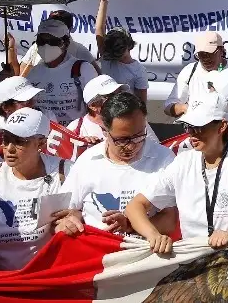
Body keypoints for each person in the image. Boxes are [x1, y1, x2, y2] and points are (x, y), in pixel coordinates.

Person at [125, 93, 228, 254]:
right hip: (192, 262)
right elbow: (135, 206)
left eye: (198, 127)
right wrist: (154, 236)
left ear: (222, 126)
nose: (191, 133)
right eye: (187, 126)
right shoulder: (182, 163)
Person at [55, 92, 175, 234]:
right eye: (122, 140)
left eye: (139, 136)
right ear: (105, 131)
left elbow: (172, 219)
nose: (131, 146)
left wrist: (131, 226)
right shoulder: (87, 161)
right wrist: (72, 218)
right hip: (98, 250)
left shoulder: (164, 159)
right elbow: (61, 214)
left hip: (145, 250)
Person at [0, 108, 66, 270]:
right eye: (5, 140)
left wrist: (74, 217)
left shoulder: (64, 173)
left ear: (41, 142)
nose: (9, 148)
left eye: (20, 141)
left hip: (48, 278)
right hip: (2, 281)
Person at [163, 31, 228, 119]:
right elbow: (168, 106)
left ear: (221, 50)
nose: (205, 59)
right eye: (201, 55)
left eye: (209, 54)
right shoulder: (189, 71)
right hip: (198, 130)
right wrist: (185, 108)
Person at [22, 19, 98, 125]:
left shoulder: (83, 69)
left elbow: (97, 108)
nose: (46, 46)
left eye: (52, 41)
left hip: (74, 135)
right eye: (41, 41)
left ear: (66, 43)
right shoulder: (34, 72)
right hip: (42, 137)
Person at [67, 75, 159, 144]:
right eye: (111, 96)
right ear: (93, 105)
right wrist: (83, 147)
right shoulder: (76, 129)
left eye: (119, 93)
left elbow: (155, 148)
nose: (118, 99)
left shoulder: (134, 118)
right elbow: (66, 163)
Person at [95, 0, 149, 103]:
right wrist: (103, 1)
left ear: (129, 46)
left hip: (124, 113)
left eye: (119, 52)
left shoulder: (138, 71)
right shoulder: (107, 55)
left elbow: (142, 104)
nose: (116, 56)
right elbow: (99, 29)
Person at [17, 11, 98, 78]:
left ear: (68, 29)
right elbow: (24, 70)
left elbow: (97, 76)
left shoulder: (80, 50)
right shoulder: (36, 46)